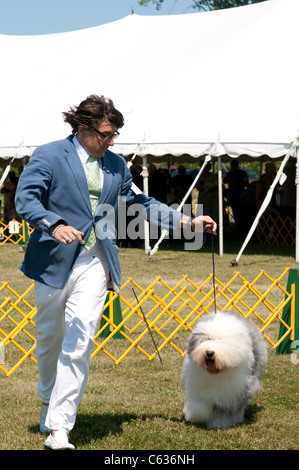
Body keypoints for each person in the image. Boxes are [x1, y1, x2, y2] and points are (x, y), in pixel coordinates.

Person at [15, 94, 217, 450]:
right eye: (106, 134)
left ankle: (59, 429)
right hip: (53, 262)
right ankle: (48, 400)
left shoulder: (116, 165)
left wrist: (186, 221)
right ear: (83, 129)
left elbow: (142, 203)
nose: (111, 141)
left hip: (95, 260)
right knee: (49, 339)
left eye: (115, 134)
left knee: (80, 340)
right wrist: (53, 223)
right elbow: (26, 199)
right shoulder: (48, 155)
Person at [223, 160, 248, 232]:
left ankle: (241, 228)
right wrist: (229, 173)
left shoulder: (242, 173)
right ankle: (237, 227)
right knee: (235, 212)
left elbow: (246, 183)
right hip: (232, 196)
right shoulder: (230, 173)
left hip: (240, 195)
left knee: (240, 213)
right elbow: (225, 181)